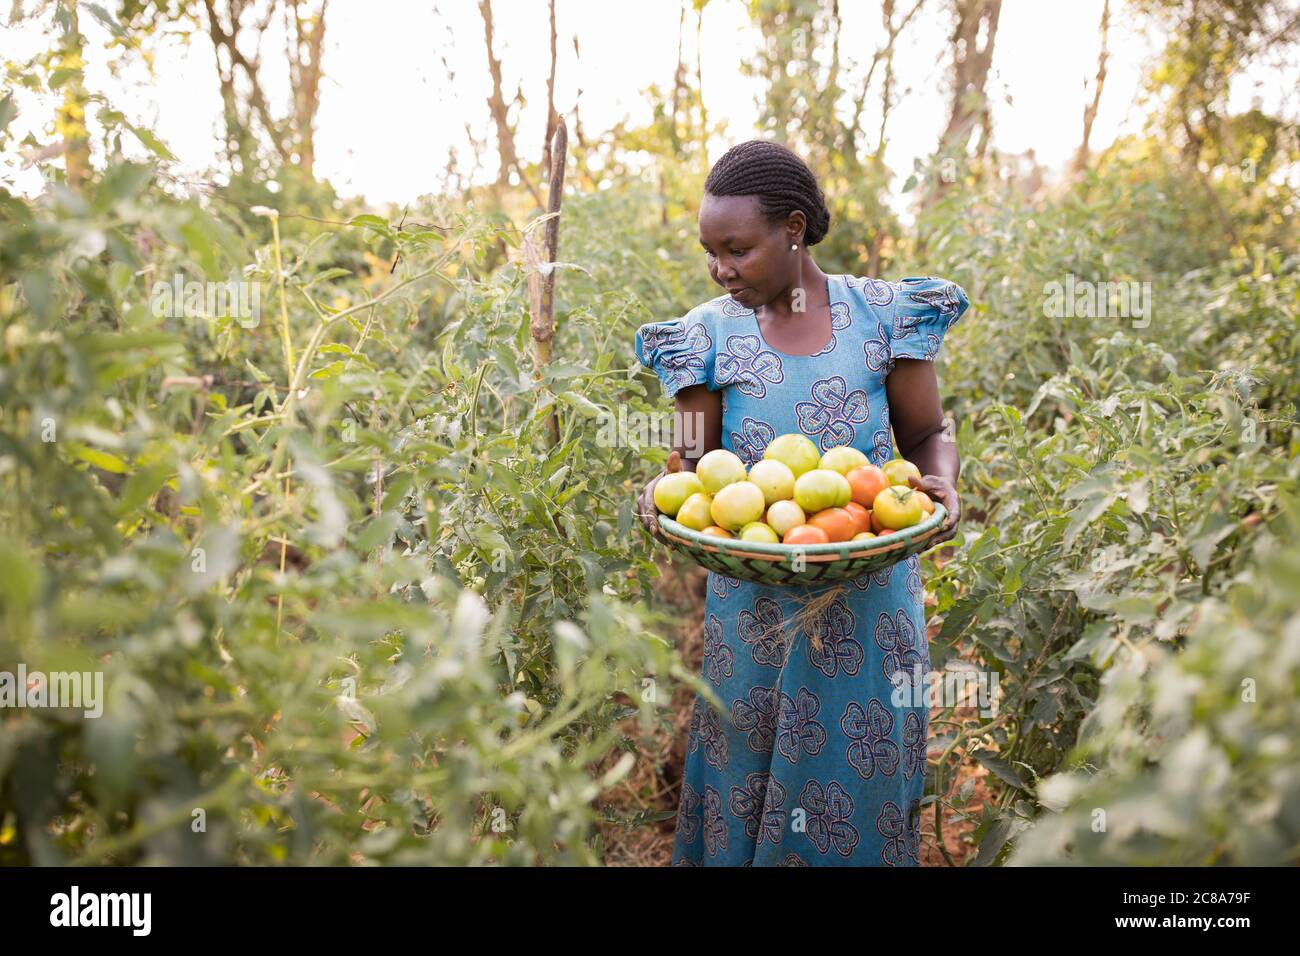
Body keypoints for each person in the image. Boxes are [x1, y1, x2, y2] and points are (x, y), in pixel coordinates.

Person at [634, 140, 969, 866]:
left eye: (738, 249)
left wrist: (939, 478)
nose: (722, 269)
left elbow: (925, 433)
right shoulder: (704, 333)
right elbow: (692, 460)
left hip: (869, 591)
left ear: (793, 228)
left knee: (858, 769)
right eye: (710, 252)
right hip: (753, 601)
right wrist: (664, 490)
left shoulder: (885, 314)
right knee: (746, 771)